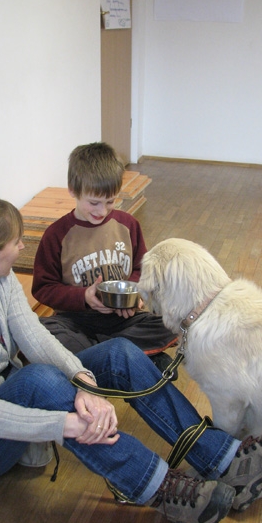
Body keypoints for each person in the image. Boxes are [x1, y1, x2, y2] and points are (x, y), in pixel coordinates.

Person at [0, 192, 262, 523]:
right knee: (38, 380)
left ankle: (223, 458)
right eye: (17, 242)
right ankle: (163, 489)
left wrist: (82, 380)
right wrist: (67, 423)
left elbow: (35, 337)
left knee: (119, 353)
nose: (22, 248)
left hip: (6, 403)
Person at [31, 142, 178, 373]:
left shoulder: (128, 225)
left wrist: (134, 295)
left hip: (124, 319)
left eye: (110, 201)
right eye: (94, 203)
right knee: (41, 330)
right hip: (77, 322)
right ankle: (135, 356)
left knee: (173, 321)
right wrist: (83, 297)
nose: (102, 211)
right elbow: (43, 288)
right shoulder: (56, 234)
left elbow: (142, 269)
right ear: (73, 190)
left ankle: (103, 355)